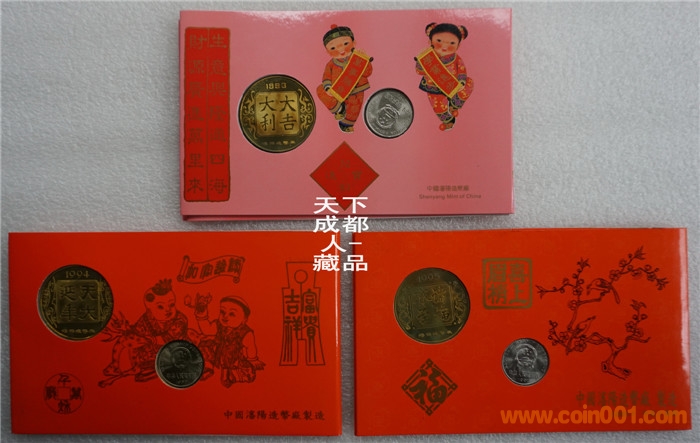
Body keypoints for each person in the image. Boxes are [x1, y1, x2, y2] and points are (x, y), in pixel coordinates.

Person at [194, 295, 264, 387]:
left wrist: (253, 359)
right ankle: (207, 367)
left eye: (232, 314)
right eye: (222, 312)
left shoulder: (245, 332)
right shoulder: (219, 325)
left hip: (234, 358)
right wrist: (202, 312)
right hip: (218, 353)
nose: (225, 316)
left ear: (244, 320)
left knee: (249, 372)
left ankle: (233, 375)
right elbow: (207, 329)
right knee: (205, 344)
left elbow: (251, 347)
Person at [415, 22, 474, 131]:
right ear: (430, 41)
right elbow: (419, 71)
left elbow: (462, 70)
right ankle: (448, 120)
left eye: (452, 43)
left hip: (453, 85)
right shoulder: (428, 56)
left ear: (458, 45)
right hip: (434, 87)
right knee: (438, 105)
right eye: (439, 41)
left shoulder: (456, 58)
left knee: (469, 83)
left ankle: (454, 105)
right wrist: (420, 61)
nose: (445, 46)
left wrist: (461, 82)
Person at [316, 25, 373, 132]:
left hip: (356, 89)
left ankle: (346, 124)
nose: (341, 49)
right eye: (333, 48)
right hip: (337, 90)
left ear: (354, 43)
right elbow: (326, 76)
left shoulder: (358, 58)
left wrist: (364, 60)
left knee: (355, 107)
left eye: (345, 44)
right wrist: (328, 88)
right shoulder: (331, 64)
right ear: (327, 51)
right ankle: (339, 108)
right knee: (320, 90)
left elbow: (367, 73)